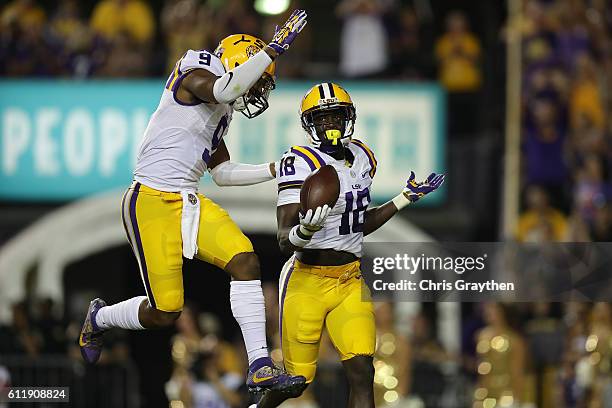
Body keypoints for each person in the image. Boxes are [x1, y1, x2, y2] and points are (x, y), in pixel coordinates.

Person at [78, 10, 309, 396]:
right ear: (238, 64)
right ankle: (100, 316)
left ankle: (259, 365)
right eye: (257, 82)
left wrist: (274, 168)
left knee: (245, 259)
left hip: (188, 201)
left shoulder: (219, 112)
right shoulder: (195, 67)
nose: (257, 93)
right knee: (164, 312)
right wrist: (273, 49)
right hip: (149, 199)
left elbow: (222, 173)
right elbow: (223, 89)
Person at [257, 82, 444, 407]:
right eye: (322, 118)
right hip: (307, 279)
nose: (330, 124)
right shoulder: (298, 161)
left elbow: (359, 225)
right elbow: (284, 239)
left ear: (349, 118)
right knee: (296, 383)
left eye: (335, 116)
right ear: (310, 124)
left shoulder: (363, 156)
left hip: (348, 280)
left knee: (362, 371)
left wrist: (404, 198)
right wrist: (306, 229)